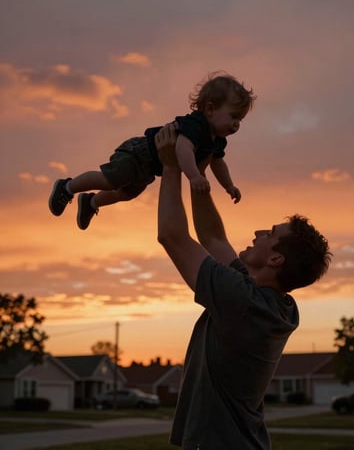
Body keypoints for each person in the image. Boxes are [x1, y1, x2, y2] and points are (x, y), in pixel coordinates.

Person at [155, 123, 332, 450]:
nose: (259, 232)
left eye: (270, 234)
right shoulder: (273, 302)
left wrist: (169, 167)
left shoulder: (243, 302)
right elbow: (213, 238)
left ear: (276, 260)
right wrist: (200, 177)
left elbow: (172, 236)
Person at [48, 72, 256, 230]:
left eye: (241, 120)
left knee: (125, 194)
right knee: (112, 179)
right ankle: (67, 187)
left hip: (151, 168)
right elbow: (184, 148)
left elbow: (217, 163)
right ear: (210, 109)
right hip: (139, 152)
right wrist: (193, 176)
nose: (237, 124)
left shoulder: (217, 140)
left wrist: (229, 185)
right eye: (233, 117)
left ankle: (90, 202)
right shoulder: (197, 124)